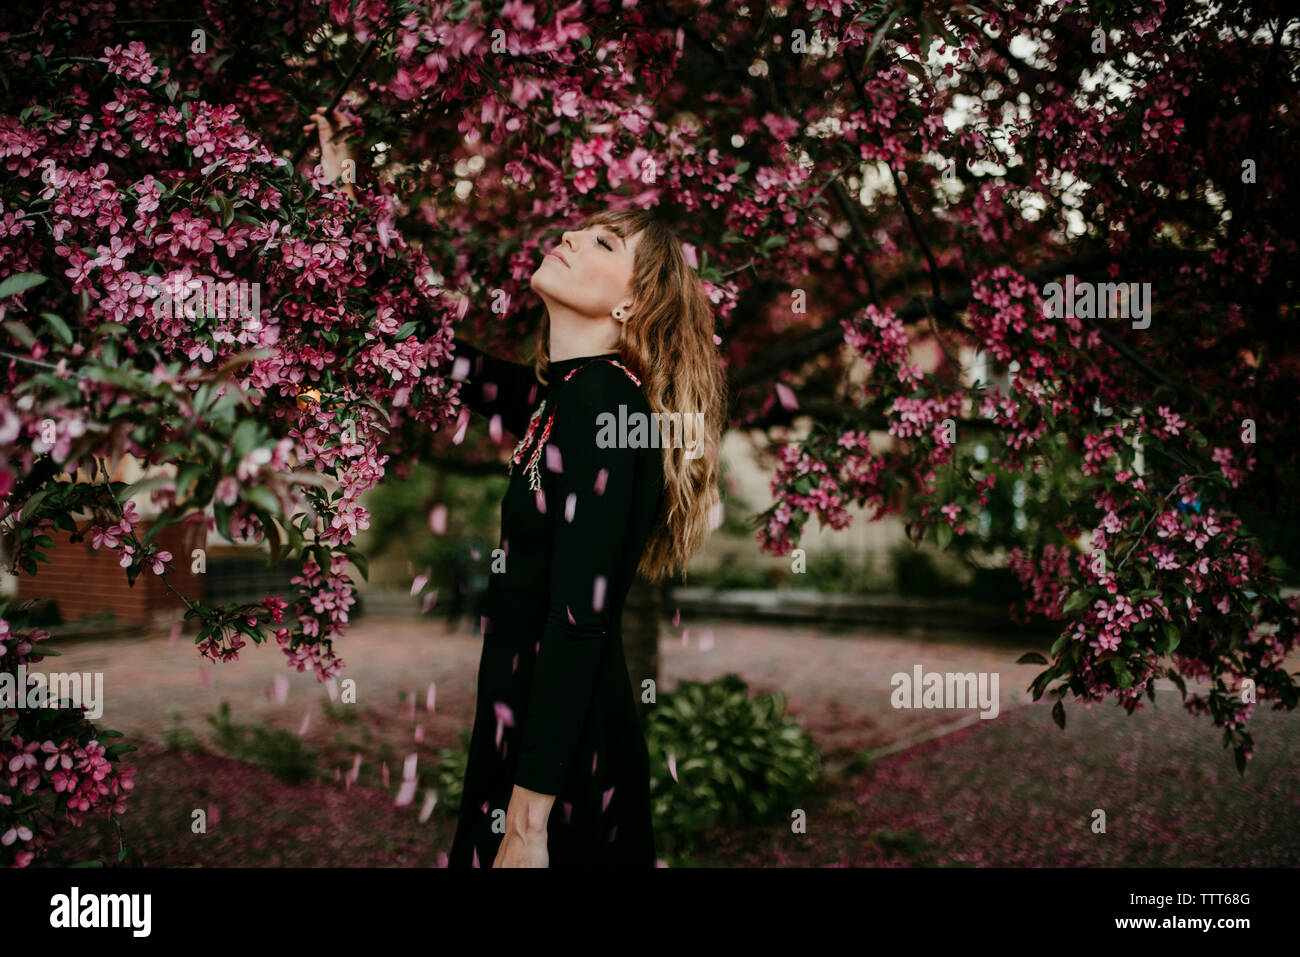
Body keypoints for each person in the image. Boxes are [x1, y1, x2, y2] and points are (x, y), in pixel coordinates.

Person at [307, 110, 726, 867]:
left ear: (634, 305)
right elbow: (429, 350)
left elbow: (580, 621)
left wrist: (527, 825)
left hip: (565, 775)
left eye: (604, 242)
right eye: (582, 227)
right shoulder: (561, 395)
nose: (569, 235)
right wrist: (347, 199)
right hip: (529, 739)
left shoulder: (604, 405)